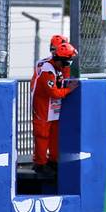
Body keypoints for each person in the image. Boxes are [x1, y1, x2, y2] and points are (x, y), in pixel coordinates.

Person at [30, 41, 78, 177]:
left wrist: (66, 70)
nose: (68, 65)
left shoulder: (59, 67)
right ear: (59, 61)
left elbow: (65, 79)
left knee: (55, 134)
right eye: (67, 62)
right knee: (42, 134)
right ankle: (40, 163)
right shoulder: (47, 70)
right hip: (42, 105)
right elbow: (54, 92)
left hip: (54, 106)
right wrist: (69, 90)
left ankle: (53, 160)